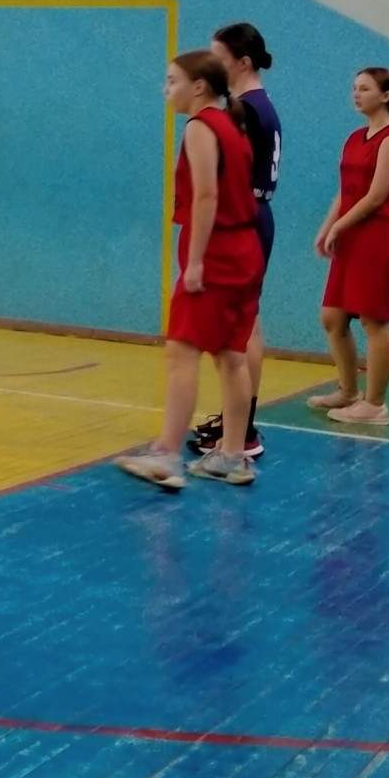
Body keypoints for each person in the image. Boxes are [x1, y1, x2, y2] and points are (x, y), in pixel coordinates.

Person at [119, 51, 264, 490]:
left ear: (198, 86)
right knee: (231, 357)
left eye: (172, 80)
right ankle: (232, 456)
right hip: (245, 251)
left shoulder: (201, 127)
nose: (166, 89)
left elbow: (206, 196)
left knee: (181, 352)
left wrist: (196, 261)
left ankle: (166, 455)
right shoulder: (233, 126)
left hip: (218, 254)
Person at [187, 22, 281, 459]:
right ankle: (238, 423)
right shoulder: (257, 104)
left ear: (242, 62)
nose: (211, 64)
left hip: (245, 217)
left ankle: (242, 429)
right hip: (256, 214)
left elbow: (225, 178)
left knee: (242, 330)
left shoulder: (246, 110)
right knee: (246, 326)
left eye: (218, 58)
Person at [310, 66, 389, 428]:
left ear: (385, 96)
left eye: (365, 89)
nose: (356, 94)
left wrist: (340, 225)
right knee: (332, 316)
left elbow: (375, 197)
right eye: (354, 88)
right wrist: (327, 227)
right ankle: (348, 391)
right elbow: (347, 191)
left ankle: (375, 405)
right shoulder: (355, 138)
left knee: (374, 321)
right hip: (352, 238)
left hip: (382, 239)